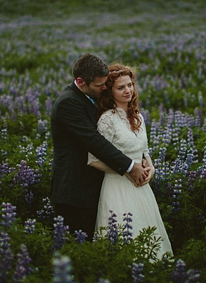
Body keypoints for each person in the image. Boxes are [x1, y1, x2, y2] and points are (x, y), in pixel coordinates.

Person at [50, 53, 149, 241]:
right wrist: (129, 166)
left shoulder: (91, 98)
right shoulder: (68, 103)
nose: (105, 88)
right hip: (75, 192)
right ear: (80, 81)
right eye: (99, 85)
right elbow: (93, 141)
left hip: (98, 187)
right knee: (79, 246)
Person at [88, 63, 173, 259]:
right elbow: (92, 160)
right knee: (123, 241)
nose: (127, 90)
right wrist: (126, 171)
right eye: (120, 87)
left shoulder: (138, 117)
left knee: (149, 240)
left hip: (142, 188)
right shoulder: (107, 120)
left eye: (130, 85)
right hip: (117, 187)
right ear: (110, 91)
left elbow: (144, 151)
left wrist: (150, 168)